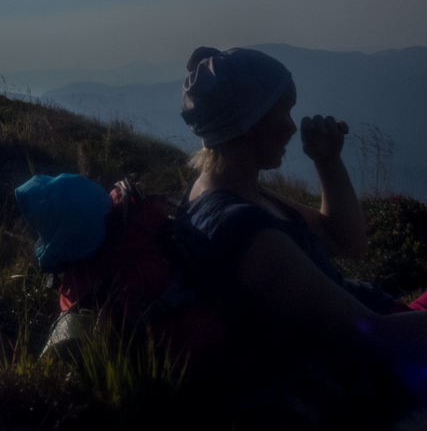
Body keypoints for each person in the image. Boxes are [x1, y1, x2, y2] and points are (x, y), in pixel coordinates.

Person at [176, 46, 427, 413]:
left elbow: (346, 241)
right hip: (379, 374)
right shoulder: (247, 234)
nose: (294, 126)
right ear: (249, 124)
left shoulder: (230, 189)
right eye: (283, 111)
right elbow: (373, 335)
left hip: (386, 326)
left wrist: (327, 160)